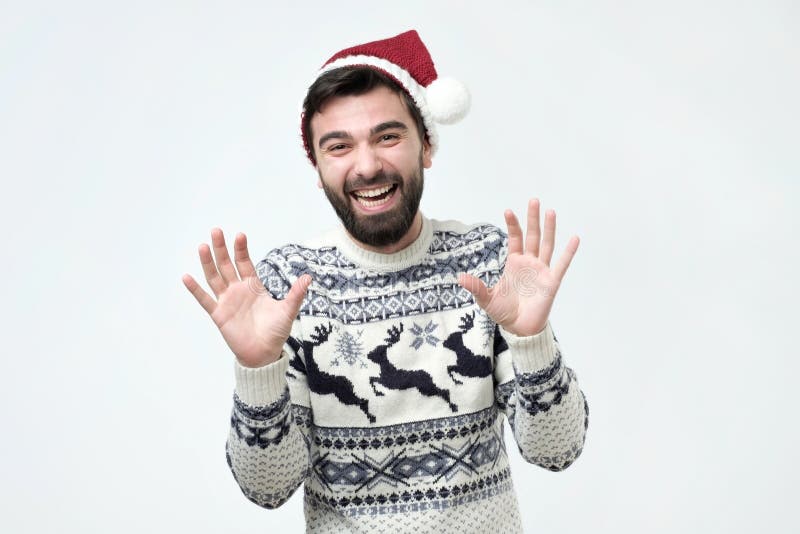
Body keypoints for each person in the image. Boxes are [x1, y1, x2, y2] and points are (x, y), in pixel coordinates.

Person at [182, 29, 588, 534]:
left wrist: (531, 342)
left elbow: (557, 451)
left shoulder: (488, 263)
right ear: (318, 167)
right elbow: (268, 489)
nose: (367, 165)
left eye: (388, 136)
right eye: (339, 146)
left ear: (426, 147)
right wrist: (257, 369)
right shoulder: (287, 286)